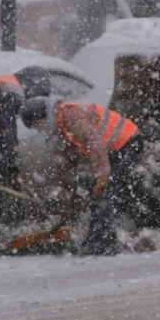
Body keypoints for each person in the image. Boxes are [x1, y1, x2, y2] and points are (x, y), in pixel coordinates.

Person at [20, 97, 142, 255]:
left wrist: (103, 178)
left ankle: (104, 244)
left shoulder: (71, 116)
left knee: (105, 194)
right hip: (111, 151)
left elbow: (95, 144)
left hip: (128, 142)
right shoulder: (58, 132)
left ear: (44, 117)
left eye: (37, 126)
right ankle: (96, 239)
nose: (39, 130)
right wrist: (67, 209)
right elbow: (66, 171)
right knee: (96, 196)